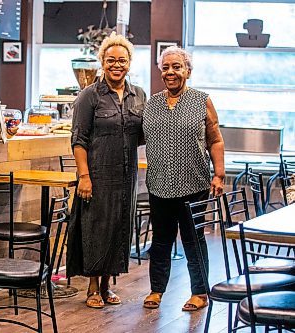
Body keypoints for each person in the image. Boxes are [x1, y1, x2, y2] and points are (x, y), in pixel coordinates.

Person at [67, 32, 146, 309]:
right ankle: (91, 287)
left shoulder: (139, 95)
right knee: (97, 227)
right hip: (98, 173)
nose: (116, 64)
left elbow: (142, 133)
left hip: (128, 175)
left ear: (129, 63)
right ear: (102, 61)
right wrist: (84, 176)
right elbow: (78, 139)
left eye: (122, 60)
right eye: (111, 59)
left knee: (120, 227)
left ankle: (106, 285)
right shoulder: (89, 96)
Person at [142, 46, 225, 311]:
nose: (170, 72)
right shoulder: (152, 102)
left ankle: (200, 292)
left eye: (176, 67)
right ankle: (156, 290)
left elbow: (215, 139)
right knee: (160, 241)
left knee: (193, 240)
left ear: (187, 70)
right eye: (165, 67)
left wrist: (219, 174)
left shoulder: (202, 100)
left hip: (194, 184)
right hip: (159, 184)